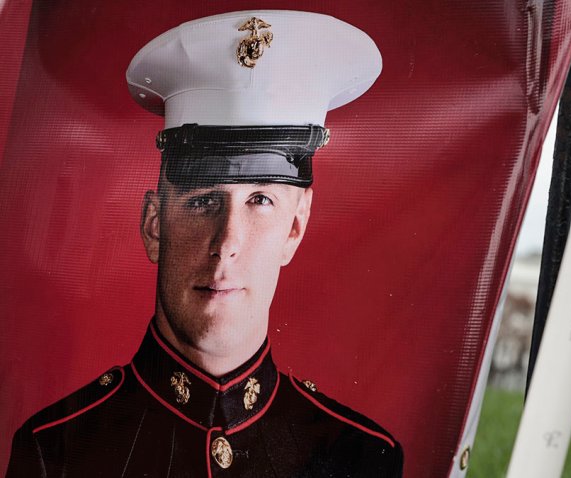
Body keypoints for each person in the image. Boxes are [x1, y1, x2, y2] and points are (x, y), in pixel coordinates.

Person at [6, 10, 402, 477]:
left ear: (295, 228)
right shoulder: (58, 453)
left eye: (260, 200)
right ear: (155, 224)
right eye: (202, 201)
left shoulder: (360, 458)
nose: (227, 243)